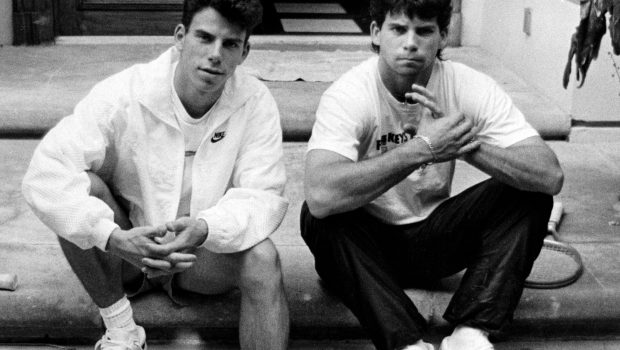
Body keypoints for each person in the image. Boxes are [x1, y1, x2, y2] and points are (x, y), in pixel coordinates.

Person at [22, 0, 289, 349]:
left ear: (245, 51)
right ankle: (122, 331)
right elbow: (45, 173)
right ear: (180, 36)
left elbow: (264, 194)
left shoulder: (255, 102)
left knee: (263, 257)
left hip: (200, 257)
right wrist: (113, 237)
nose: (215, 54)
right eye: (204, 38)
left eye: (230, 44)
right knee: (79, 191)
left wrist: (205, 228)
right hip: (126, 250)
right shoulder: (125, 91)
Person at [300, 0, 564, 349]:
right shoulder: (350, 93)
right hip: (365, 248)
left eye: (424, 31)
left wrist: (465, 144)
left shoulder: (470, 86)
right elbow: (320, 195)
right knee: (318, 217)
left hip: (435, 239)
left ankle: (471, 334)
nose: (411, 42)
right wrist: (423, 147)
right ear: (376, 33)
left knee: (528, 195)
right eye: (398, 29)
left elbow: (549, 175)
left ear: (442, 37)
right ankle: (409, 343)